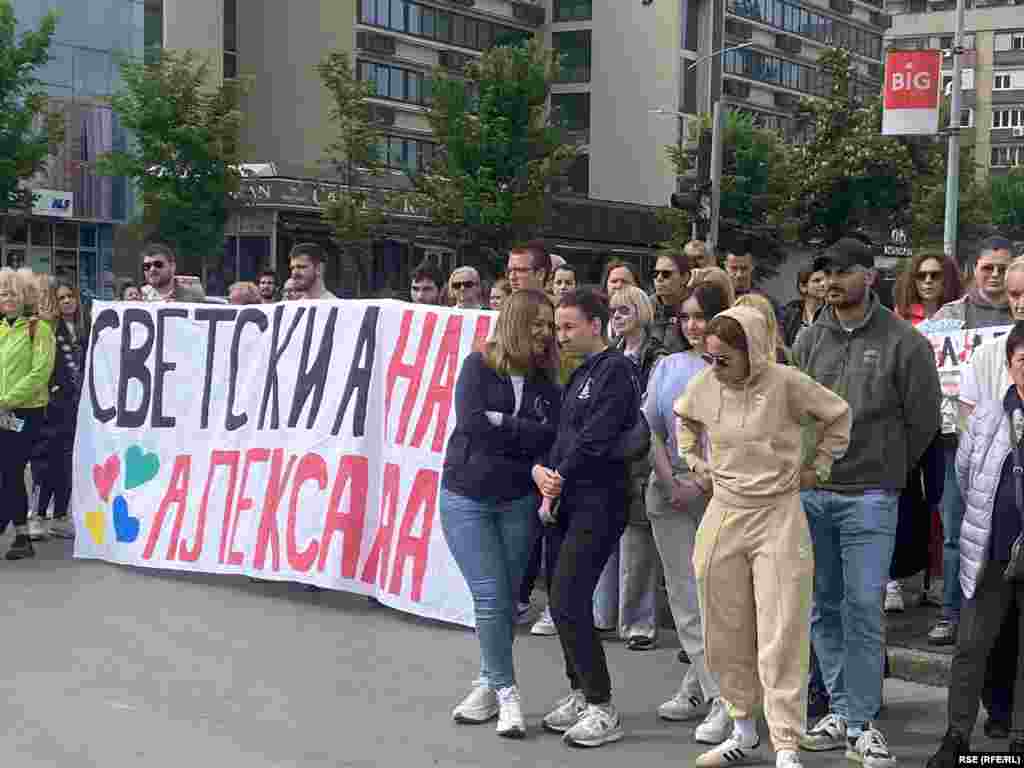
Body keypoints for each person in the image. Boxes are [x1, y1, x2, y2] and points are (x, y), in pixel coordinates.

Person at [676, 305, 852, 768]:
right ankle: (742, 729)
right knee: (723, 627)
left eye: (723, 359)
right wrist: (697, 464)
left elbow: (838, 415)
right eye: (709, 358)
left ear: (753, 351)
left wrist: (820, 467)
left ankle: (787, 743)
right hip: (725, 514)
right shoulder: (706, 384)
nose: (715, 367)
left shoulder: (786, 382)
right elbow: (685, 422)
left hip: (779, 513)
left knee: (782, 629)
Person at [796, 237, 941, 767]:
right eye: (824, 273)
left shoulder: (906, 342)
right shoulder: (811, 339)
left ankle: (861, 720)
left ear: (869, 275)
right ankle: (841, 710)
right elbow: (795, 410)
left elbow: (925, 419)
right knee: (823, 607)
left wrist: (890, 471)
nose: (830, 282)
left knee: (862, 606)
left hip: (871, 499)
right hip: (814, 496)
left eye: (840, 272)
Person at [441, 288, 560, 738]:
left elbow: (548, 435)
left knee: (507, 602)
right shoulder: (477, 366)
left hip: (518, 502)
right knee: (490, 596)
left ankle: (487, 684)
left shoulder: (548, 382)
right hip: (466, 497)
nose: (547, 333)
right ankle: (509, 694)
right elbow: (472, 427)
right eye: (539, 324)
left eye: (550, 325)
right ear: (515, 321)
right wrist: (524, 448)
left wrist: (502, 424)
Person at [533, 288, 641, 748]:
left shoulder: (616, 370)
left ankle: (602, 705)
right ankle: (579, 691)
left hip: (600, 499)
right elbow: (564, 436)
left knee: (570, 597)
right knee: (559, 601)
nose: (561, 334)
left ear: (596, 325)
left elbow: (596, 439)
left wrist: (557, 476)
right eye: (558, 327)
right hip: (566, 500)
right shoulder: (580, 373)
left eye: (569, 326)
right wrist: (543, 475)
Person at [926, 322, 1024, 766]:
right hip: (991, 552)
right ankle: (957, 736)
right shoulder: (986, 416)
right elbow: (966, 479)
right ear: (1009, 366)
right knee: (970, 647)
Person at [646, 280, 733, 745]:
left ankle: (723, 696)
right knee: (684, 599)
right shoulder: (665, 366)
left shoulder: (730, 370)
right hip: (669, 491)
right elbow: (653, 431)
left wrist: (699, 482)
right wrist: (670, 483)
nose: (693, 326)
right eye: (686, 317)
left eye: (702, 316)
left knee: (715, 599)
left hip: (720, 491)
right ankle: (706, 688)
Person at [929, 237, 1014, 647]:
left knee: (1001, 535)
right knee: (954, 529)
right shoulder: (951, 317)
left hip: (1010, 447)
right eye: (988, 268)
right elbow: (934, 371)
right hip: (958, 442)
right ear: (973, 269)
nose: (995, 276)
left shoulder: (1020, 313)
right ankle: (950, 614)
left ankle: (996, 619)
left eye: (1002, 268)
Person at [954, 257, 1024, 737]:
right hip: (995, 518)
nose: (1019, 302)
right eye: (1015, 294)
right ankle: (992, 714)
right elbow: (969, 451)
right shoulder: (988, 354)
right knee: (984, 634)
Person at [606, 286, 666, 650]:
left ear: (641, 313)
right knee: (610, 538)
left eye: (625, 310)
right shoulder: (610, 353)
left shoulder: (656, 357)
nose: (617, 317)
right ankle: (605, 615)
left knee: (638, 541)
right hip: (610, 452)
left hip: (640, 452)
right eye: (613, 311)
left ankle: (638, 623)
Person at [0, 268, 56, 560]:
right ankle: (15, 529)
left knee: (10, 469)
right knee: (5, 472)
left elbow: (39, 373)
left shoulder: (39, 329)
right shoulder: (1, 328)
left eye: (11, 292)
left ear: (25, 295)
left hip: (26, 412)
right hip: (1, 410)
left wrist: (8, 400)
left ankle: (20, 535)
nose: (6, 298)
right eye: (2, 293)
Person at [30, 280, 86, 541]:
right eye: (61, 297)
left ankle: (61, 515)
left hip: (76, 408)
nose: (66, 301)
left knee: (67, 462)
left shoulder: (84, 329)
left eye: (70, 296)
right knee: (45, 461)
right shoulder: (49, 328)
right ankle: (38, 514)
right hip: (53, 406)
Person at [932, 236, 1014, 328]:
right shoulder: (951, 314)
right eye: (987, 268)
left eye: (1003, 269)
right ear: (975, 269)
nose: (995, 274)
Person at [893, 253, 962, 326]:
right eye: (921, 276)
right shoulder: (901, 313)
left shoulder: (960, 311)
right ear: (913, 280)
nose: (928, 280)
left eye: (935, 275)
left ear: (947, 278)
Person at [650, 248, 692, 354]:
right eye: (655, 273)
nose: (659, 278)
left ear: (685, 277)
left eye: (666, 274)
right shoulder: (645, 305)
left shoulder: (697, 306)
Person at [140, 243, 206, 302]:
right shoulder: (139, 296)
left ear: (172, 267)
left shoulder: (193, 296)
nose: (152, 269)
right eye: (147, 266)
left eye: (158, 264)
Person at [781, 265, 827, 348]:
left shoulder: (833, 313)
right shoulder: (790, 312)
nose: (823, 284)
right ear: (803, 287)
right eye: (817, 281)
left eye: (825, 280)